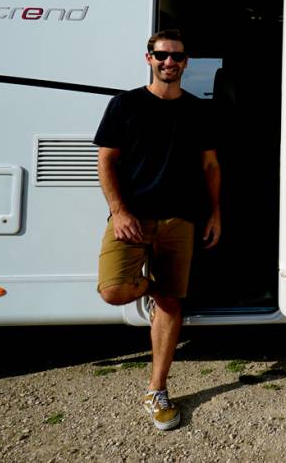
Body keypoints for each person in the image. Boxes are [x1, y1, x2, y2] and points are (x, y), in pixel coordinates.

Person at [94, 29, 221, 431]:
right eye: (162, 55)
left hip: (179, 219)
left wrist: (214, 213)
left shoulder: (198, 111)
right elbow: (106, 161)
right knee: (113, 290)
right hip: (131, 217)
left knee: (171, 303)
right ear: (148, 58)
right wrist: (118, 211)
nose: (170, 62)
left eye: (177, 57)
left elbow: (210, 167)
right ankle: (152, 288)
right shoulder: (125, 105)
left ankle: (157, 389)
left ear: (186, 63)